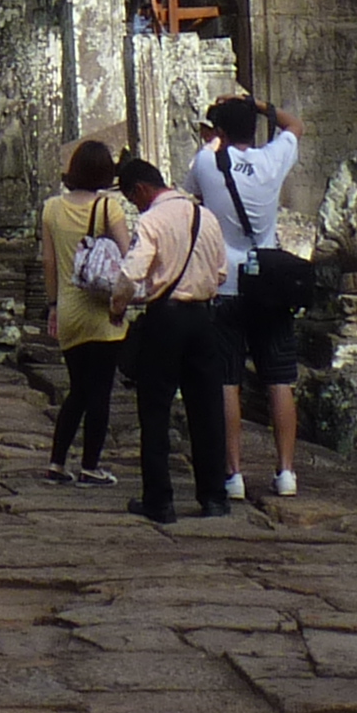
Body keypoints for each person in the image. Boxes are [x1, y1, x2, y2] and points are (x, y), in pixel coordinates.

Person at [185, 94, 304, 502]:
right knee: (280, 380)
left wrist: (213, 137)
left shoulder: (207, 162)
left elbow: (192, 193)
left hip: (226, 283)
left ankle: (233, 473)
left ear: (218, 131)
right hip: (269, 284)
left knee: (227, 381)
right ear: (253, 130)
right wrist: (260, 105)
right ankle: (286, 471)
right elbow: (295, 126)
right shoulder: (273, 159)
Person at [113, 152, 232, 523]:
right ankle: (214, 496)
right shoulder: (205, 216)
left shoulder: (152, 221)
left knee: (155, 409)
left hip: (165, 318)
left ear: (141, 190)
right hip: (203, 318)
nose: (136, 206)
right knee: (207, 408)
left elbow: (131, 273)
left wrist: (117, 306)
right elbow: (222, 272)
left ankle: (159, 499)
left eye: (133, 199)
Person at [35, 138, 130, 486]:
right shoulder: (108, 209)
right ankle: (91, 465)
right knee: (100, 391)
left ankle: (57, 462)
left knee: (78, 390)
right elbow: (129, 256)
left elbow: (48, 262)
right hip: (103, 311)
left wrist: (53, 305)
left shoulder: (51, 208)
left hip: (70, 309)